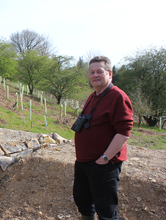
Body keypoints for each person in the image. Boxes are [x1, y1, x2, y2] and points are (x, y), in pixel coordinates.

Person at [73, 56, 133, 220]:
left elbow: (123, 133)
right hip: (84, 162)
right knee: (84, 204)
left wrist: (105, 158)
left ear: (110, 74)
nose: (95, 75)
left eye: (100, 71)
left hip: (103, 164)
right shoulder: (93, 96)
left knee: (106, 211)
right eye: (92, 72)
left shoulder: (117, 96)